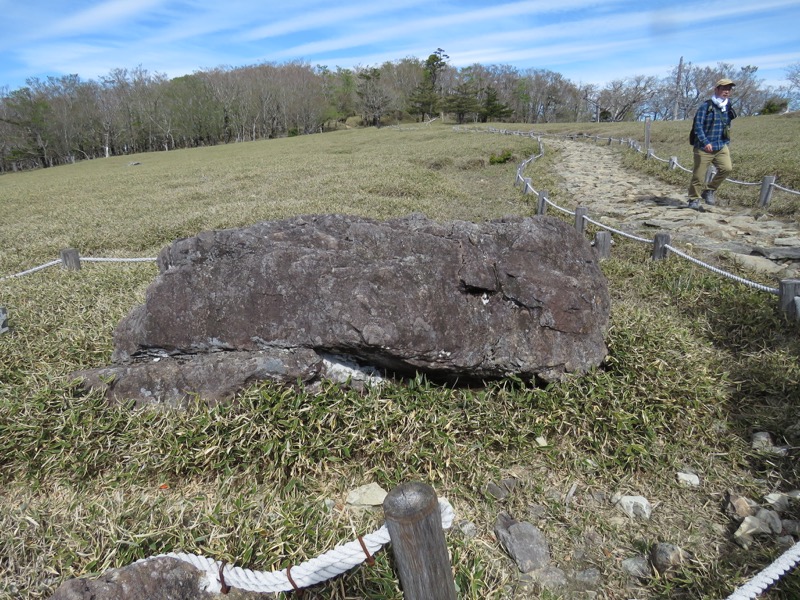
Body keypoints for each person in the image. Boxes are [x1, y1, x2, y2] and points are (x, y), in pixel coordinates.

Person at [687, 78, 737, 210]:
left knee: (727, 168)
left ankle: (709, 190)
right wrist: (705, 142)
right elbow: (698, 126)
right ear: (717, 89)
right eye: (724, 88)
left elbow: (727, 125)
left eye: (729, 89)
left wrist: (726, 140)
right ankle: (693, 199)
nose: (726, 91)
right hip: (704, 147)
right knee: (699, 175)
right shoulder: (706, 106)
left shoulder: (728, 106)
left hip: (721, 145)